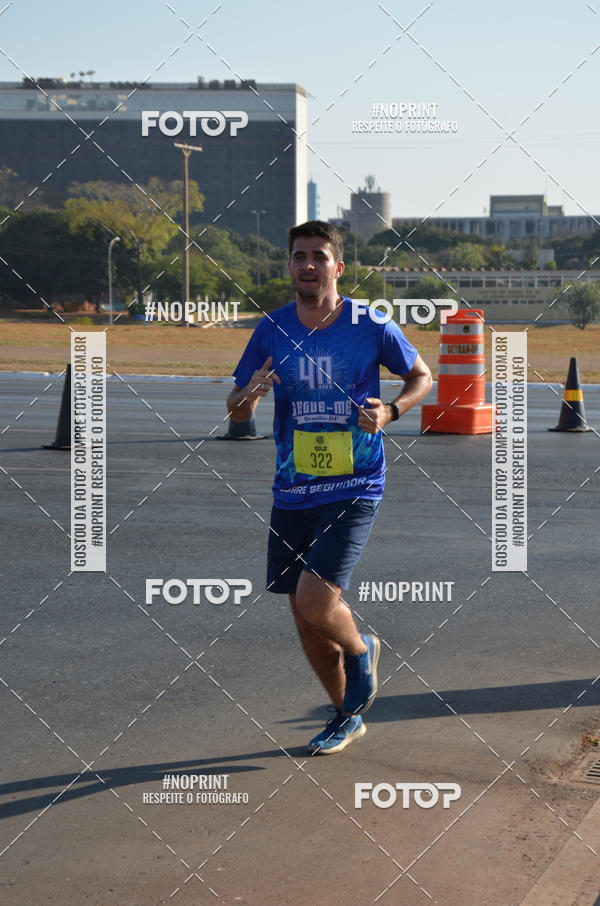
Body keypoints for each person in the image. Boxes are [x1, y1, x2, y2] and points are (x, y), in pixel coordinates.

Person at [227, 221, 432, 755]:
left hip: (355, 482)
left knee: (315, 600)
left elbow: (421, 376)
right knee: (302, 613)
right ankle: (346, 714)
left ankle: (361, 648)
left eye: (319, 256)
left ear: (338, 267)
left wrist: (391, 410)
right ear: (290, 266)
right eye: (299, 256)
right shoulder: (271, 329)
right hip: (293, 489)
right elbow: (235, 405)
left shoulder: (370, 324)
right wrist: (247, 396)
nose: (308, 265)